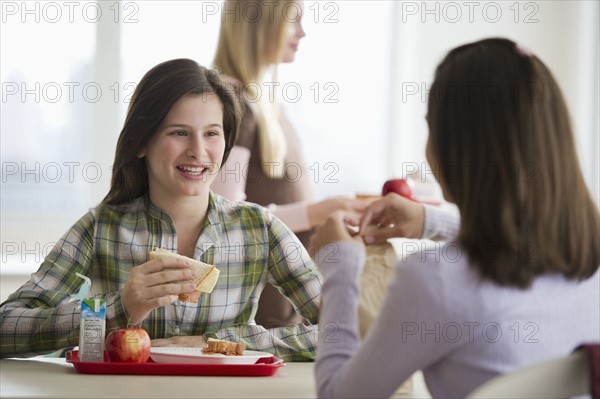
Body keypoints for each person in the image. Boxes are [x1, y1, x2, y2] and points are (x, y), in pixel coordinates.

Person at [311, 38, 600, 398]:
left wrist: (339, 267)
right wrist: (430, 223)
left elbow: (339, 395)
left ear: (458, 147)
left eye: (431, 128)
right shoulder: (586, 259)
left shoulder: (435, 280)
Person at [0, 58, 321, 361]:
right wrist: (119, 307)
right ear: (142, 142)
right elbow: (6, 326)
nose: (198, 151)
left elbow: (342, 332)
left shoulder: (259, 227)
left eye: (211, 133)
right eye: (179, 133)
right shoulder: (100, 227)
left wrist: (228, 342)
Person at [210, 0, 368, 328]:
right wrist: (315, 212)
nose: (303, 32)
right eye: (293, 20)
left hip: (286, 300)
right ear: (260, 23)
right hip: (265, 308)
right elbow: (226, 214)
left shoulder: (263, 103)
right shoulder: (233, 105)